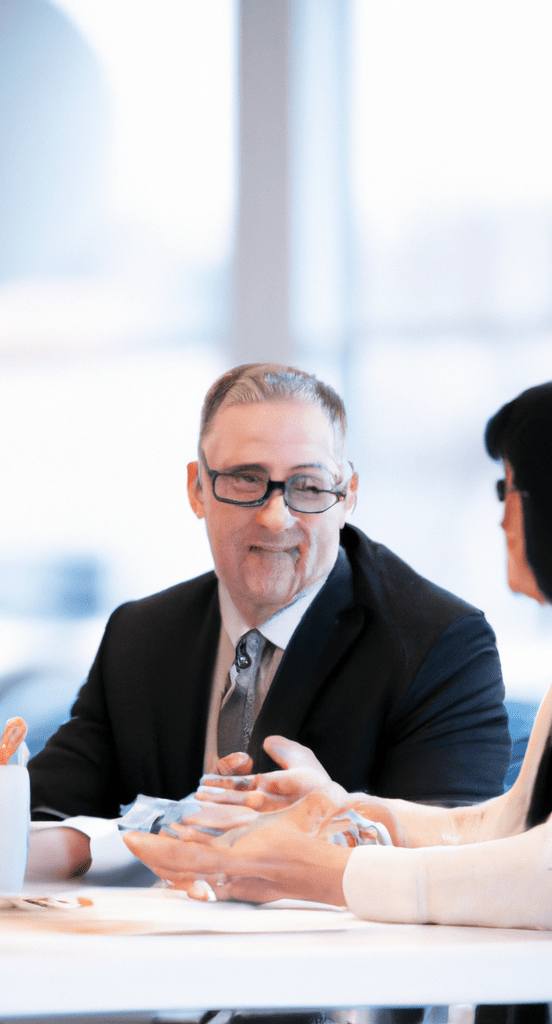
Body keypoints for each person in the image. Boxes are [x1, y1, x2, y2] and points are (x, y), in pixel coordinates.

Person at [26, 363, 510, 878]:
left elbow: (460, 862)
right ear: (197, 489)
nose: (277, 517)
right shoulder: (140, 635)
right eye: (245, 479)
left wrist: (335, 823)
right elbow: (48, 810)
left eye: (308, 486)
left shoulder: (440, 644)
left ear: (347, 497)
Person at [123, 380, 552, 931]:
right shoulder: (146, 629)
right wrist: (345, 810)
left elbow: (539, 869)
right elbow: (517, 825)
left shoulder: (437, 634)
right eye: (245, 479)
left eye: (508, 491)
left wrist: (323, 871)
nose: (502, 521)